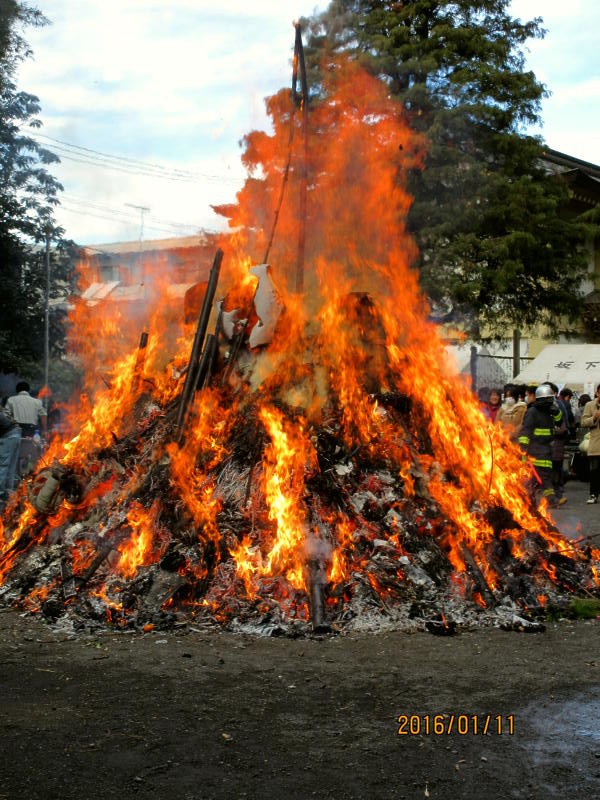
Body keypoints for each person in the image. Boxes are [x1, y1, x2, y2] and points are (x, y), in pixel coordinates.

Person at [518, 384, 563, 508]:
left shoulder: (550, 411)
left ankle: (546, 501)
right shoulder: (533, 412)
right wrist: (523, 448)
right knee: (534, 480)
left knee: (543, 479)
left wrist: (557, 413)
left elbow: (559, 422)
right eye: (547, 399)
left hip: (546, 450)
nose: (549, 402)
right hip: (534, 451)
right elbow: (525, 431)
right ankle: (533, 503)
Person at [6, 381, 47, 477]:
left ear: (17, 390)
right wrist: (44, 430)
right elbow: (43, 414)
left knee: (14, 456)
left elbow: (6, 415)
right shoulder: (37, 401)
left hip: (15, 430)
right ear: (28, 390)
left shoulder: (11, 400)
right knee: (32, 454)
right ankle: (30, 476)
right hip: (32, 431)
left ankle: (14, 476)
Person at [580, 385, 600, 503]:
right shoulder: (590, 405)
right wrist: (594, 418)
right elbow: (583, 422)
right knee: (594, 471)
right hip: (596, 444)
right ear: (597, 393)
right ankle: (593, 495)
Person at [0, 402, 21, 511]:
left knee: (3, 465)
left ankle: (1, 493)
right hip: (16, 434)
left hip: (9, 436)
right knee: (11, 465)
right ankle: (9, 491)